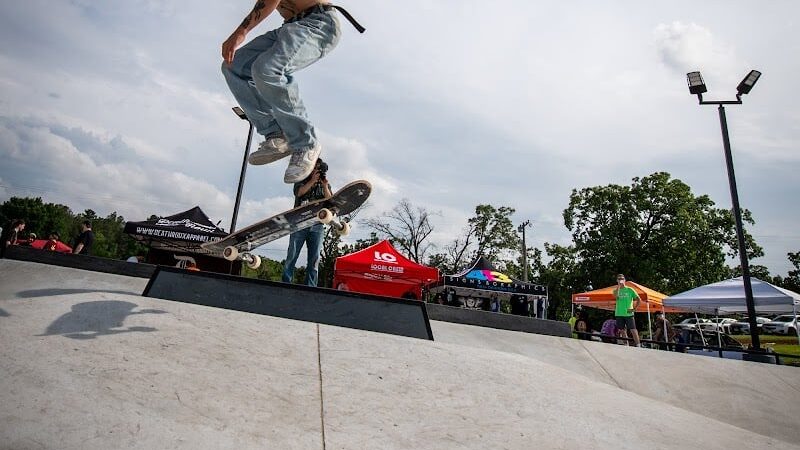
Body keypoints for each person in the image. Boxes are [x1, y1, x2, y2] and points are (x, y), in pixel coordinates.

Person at [221, 1, 363, 184]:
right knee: (234, 66)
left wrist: (241, 32)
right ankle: (277, 134)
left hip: (318, 23)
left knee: (268, 69)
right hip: (290, 27)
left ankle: (306, 143)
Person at [282, 158, 332, 286]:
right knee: (292, 254)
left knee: (314, 258)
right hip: (299, 222)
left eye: (319, 168)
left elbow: (330, 200)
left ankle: (311, 286)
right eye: (315, 167)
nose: (317, 170)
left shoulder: (324, 183)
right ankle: (286, 282)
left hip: (317, 224)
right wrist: (312, 180)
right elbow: (299, 193)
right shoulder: (301, 178)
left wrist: (325, 185)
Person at [613, 274, 641, 346]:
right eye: (619, 279)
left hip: (629, 313)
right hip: (619, 313)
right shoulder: (615, 290)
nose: (620, 280)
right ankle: (626, 345)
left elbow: (639, 300)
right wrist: (619, 286)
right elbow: (616, 297)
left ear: (625, 280)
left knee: (633, 329)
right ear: (617, 280)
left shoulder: (630, 290)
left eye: (622, 278)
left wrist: (634, 309)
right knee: (622, 330)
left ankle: (638, 345)